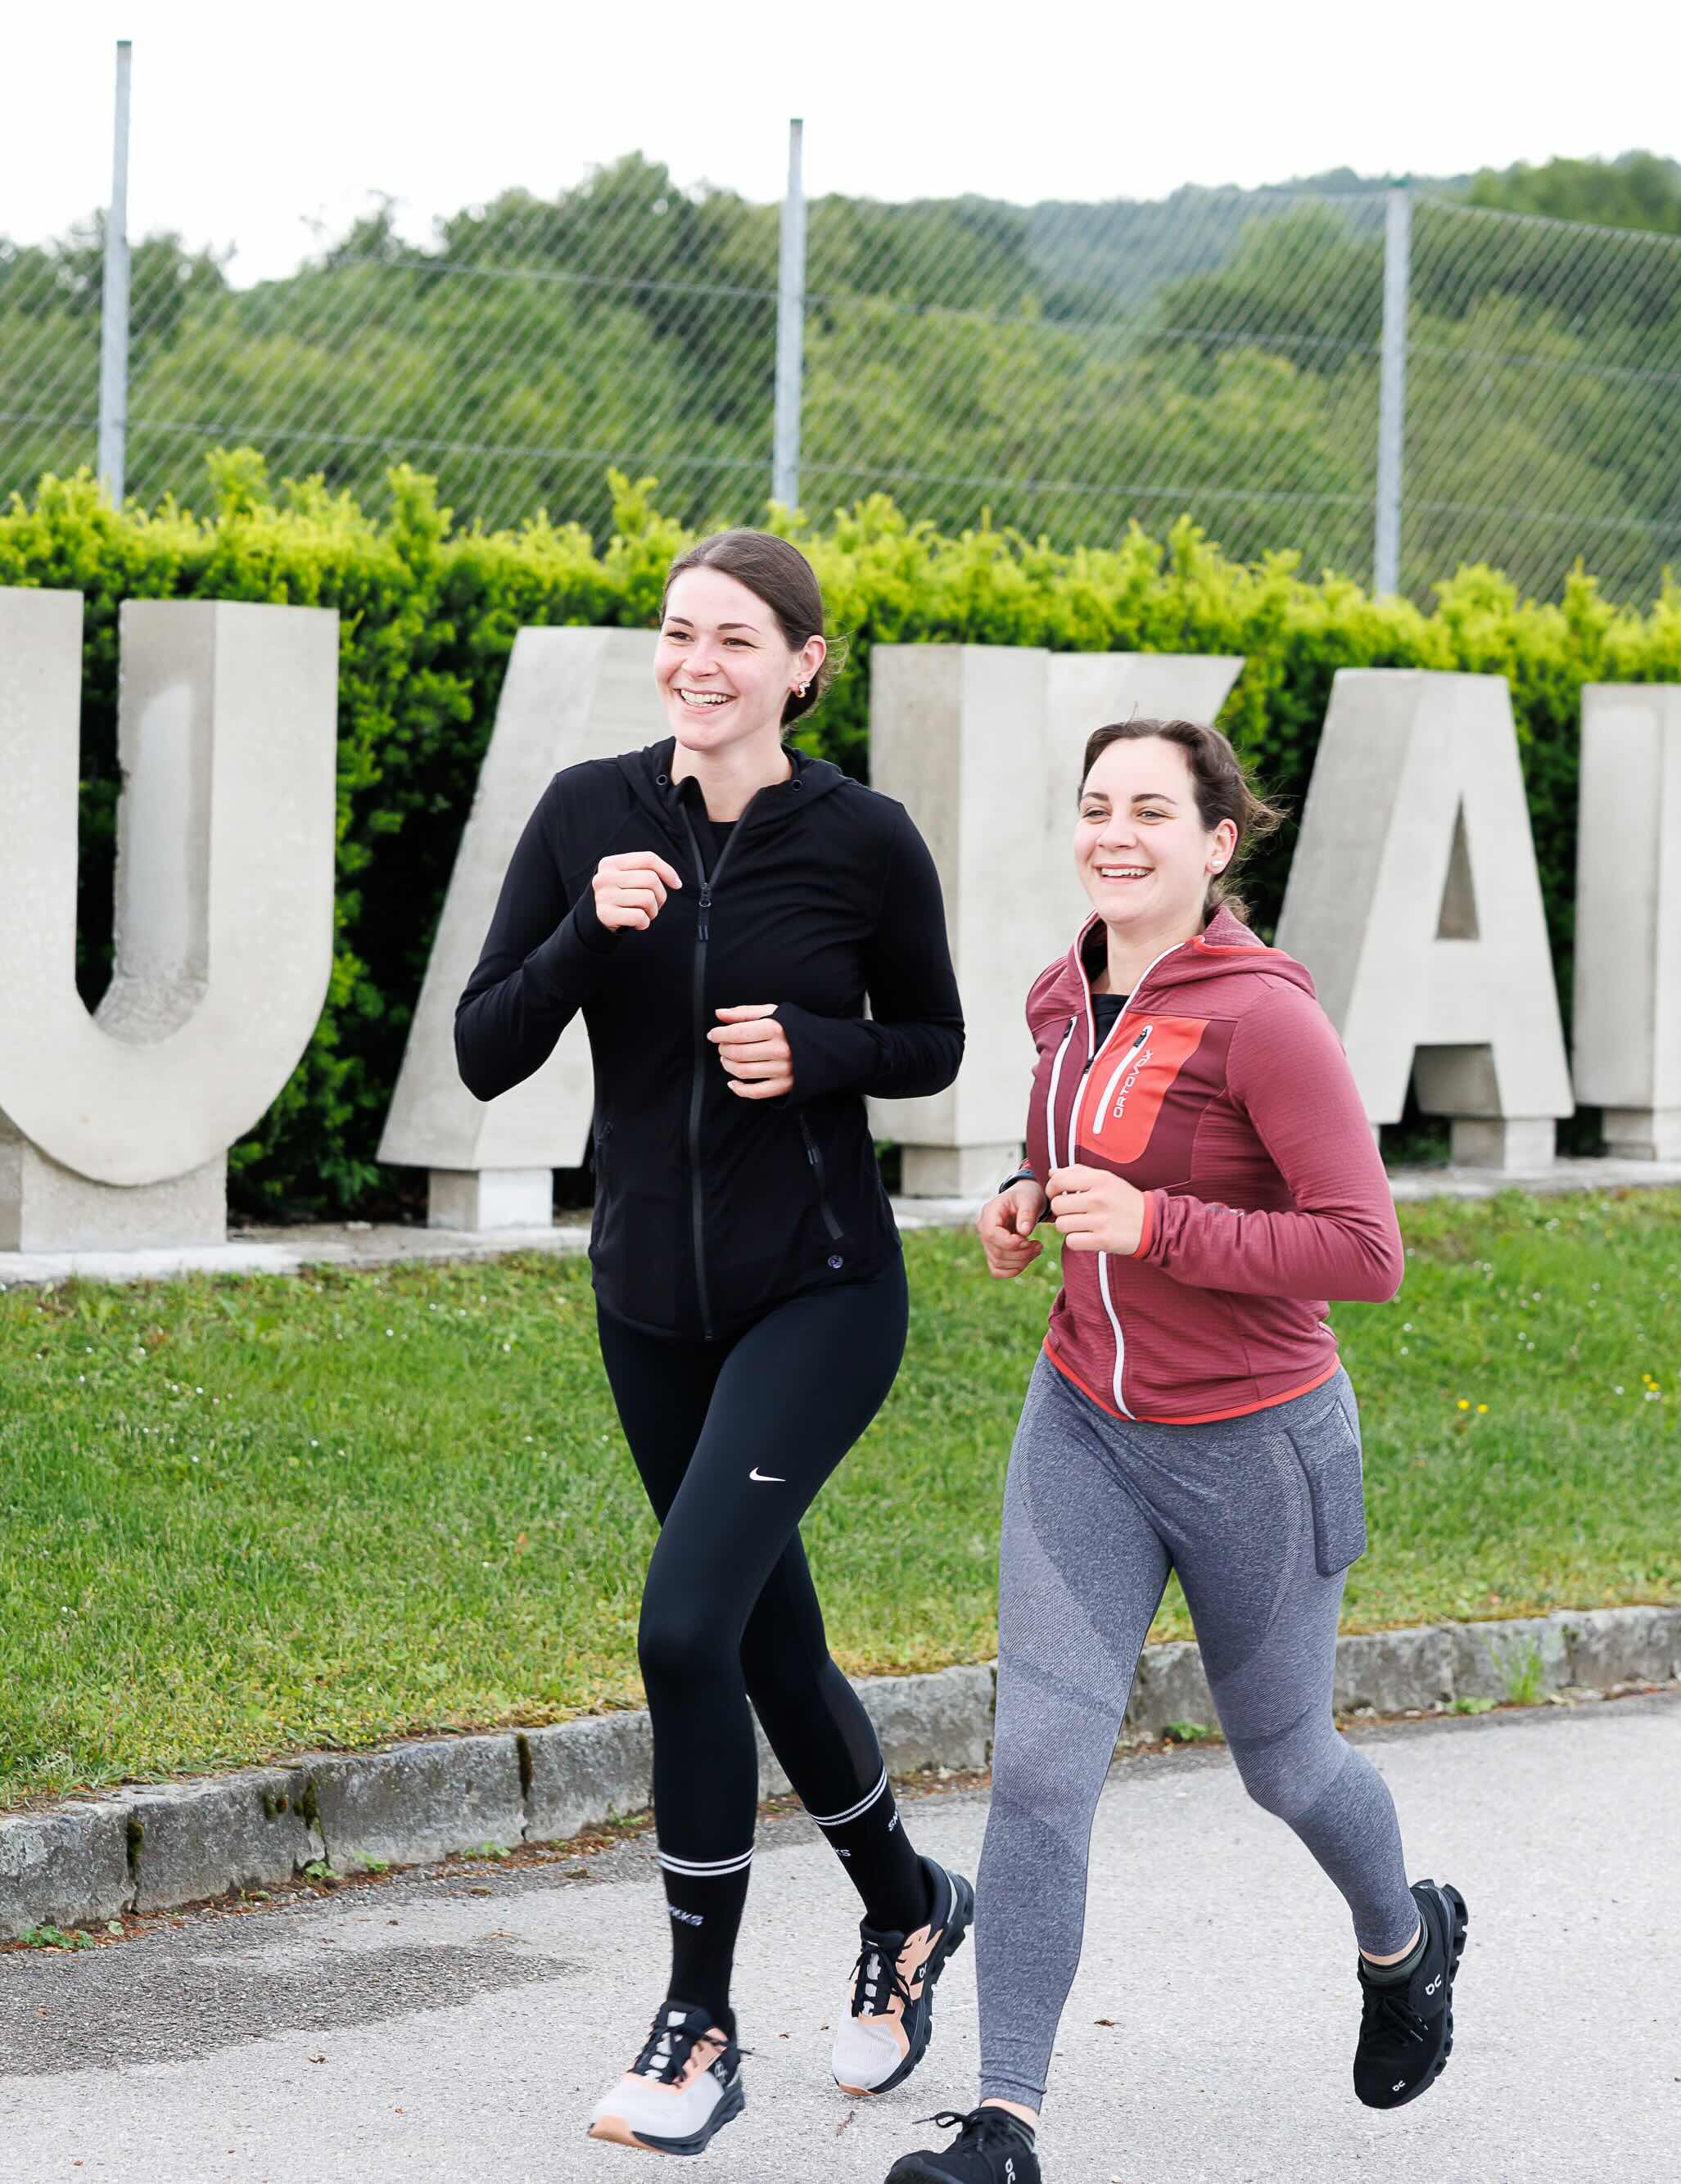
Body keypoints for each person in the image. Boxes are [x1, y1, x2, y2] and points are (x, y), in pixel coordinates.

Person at [454, 530, 977, 2157]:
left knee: (684, 1625)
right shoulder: (585, 817)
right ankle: (908, 1906)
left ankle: (697, 2023)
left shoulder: (862, 839)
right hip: (648, 1302)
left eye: (735, 638)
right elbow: (482, 1049)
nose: (697, 660)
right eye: (678, 632)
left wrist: (815, 1048)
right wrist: (582, 938)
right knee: (758, 1637)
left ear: (801, 663)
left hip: (820, 1290)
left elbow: (932, 1040)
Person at [886, 717, 1462, 2184]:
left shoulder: (1266, 1020)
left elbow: (1366, 1251)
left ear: (1217, 844)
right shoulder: (1060, 995)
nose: (1115, 832)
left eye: (1152, 809)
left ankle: (1405, 1943)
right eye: (1095, 805)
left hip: (1256, 1449)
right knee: (1038, 1772)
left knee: (1286, 1762)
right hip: (1085, 1422)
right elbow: (1071, 1157)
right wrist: (1027, 1204)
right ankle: (1003, 2122)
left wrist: (1158, 1229)